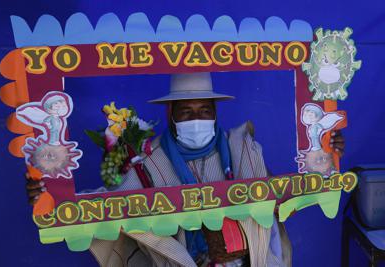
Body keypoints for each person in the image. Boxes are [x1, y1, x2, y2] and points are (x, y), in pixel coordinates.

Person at [26, 72, 345, 266]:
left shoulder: (242, 147)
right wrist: (52, 197)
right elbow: (110, 205)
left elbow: (273, 194)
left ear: (216, 113)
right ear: (171, 117)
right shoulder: (150, 163)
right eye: (187, 112)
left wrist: (325, 161)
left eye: (205, 111)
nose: (197, 119)